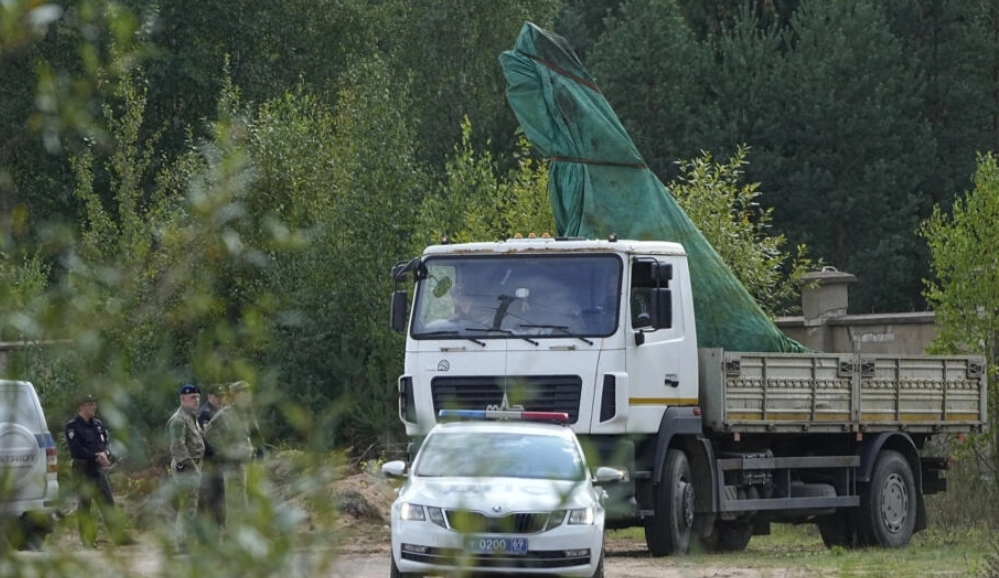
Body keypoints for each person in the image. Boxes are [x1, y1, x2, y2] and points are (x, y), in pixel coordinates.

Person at [64, 394, 134, 547]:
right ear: (81, 407)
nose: (94, 407)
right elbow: (76, 450)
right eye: (90, 404)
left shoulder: (97, 424)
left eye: (94, 404)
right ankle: (88, 541)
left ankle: (119, 536)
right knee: (85, 506)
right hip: (82, 470)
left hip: (98, 469)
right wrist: (95, 456)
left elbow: (105, 444)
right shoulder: (72, 427)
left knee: (108, 503)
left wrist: (106, 454)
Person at [205, 381, 256, 527]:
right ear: (235, 395)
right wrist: (226, 450)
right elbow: (209, 433)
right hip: (232, 464)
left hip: (244, 463)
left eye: (248, 393)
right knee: (236, 502)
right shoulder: (226, 414)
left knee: (243, 501)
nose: (247, 396)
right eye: (243, 393)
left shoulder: (245, 413)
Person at [166, 384, 206, 552]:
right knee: (188, 504)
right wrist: (192, 467)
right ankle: (183, 542)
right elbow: (178, 446)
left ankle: (186, 540)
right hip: (186, 466)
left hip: (195, 464)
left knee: (190, 504)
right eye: (192, 398)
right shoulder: (179, 419)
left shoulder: (191, 416)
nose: (196, 400)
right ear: (183, 399)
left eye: (197, 397)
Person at [196, 384, 226, 527]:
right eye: (216, 396)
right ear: (209, 396)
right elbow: (206, 437)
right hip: (210, 459)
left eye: (221, 396)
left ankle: (216, 525)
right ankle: (212, 526)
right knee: (209, 495)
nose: (219, 399)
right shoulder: (205, 413)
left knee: (216, 494)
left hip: (217, 459)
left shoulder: (220, 411)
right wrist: (217, 453)